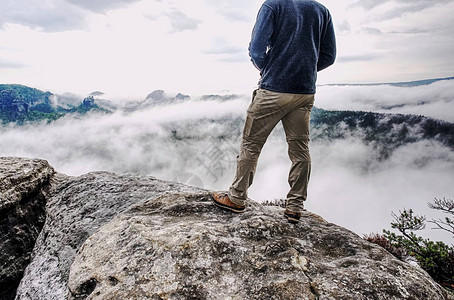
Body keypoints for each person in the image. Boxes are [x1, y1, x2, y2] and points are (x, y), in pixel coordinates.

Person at [212, 0, 336, 224]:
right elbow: (329, 55)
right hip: (305, 92)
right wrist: (304, 68)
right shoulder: (321, 11)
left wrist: (271, 68)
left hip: (273, 90)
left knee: (251, 145)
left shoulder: (274, 5)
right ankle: (295, 206)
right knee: (300, 150)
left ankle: (237, 198)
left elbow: (256, 48)